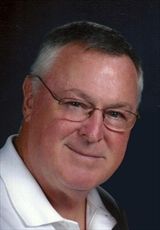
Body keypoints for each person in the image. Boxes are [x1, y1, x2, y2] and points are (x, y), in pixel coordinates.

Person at [0, 21, 143, 230]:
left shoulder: (111, 213)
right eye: (75, 104)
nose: (93, 134)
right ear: (30, 99)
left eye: (115, 114)